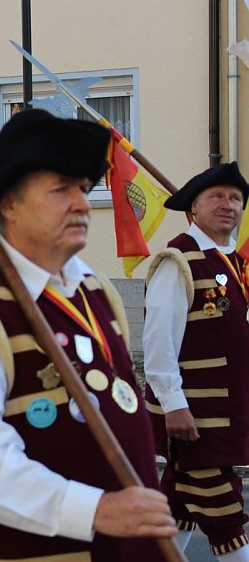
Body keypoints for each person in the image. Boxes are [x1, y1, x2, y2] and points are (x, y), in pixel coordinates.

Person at [0, 108, 177, 560]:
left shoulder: (95, 288)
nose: (80, 203)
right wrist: (97, 510)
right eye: (60, 190)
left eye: (82, 188)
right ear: (9, 205)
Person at [143, 161, 249, 561]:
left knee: (178, 509)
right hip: (197, 417)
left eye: (236, 198)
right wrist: (174, 406)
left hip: (224, 411)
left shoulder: (233, 262)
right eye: (217, 197)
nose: (229, 205)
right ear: (194, 209)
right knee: (225, 515)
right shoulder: (178, 261)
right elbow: (158, 343)